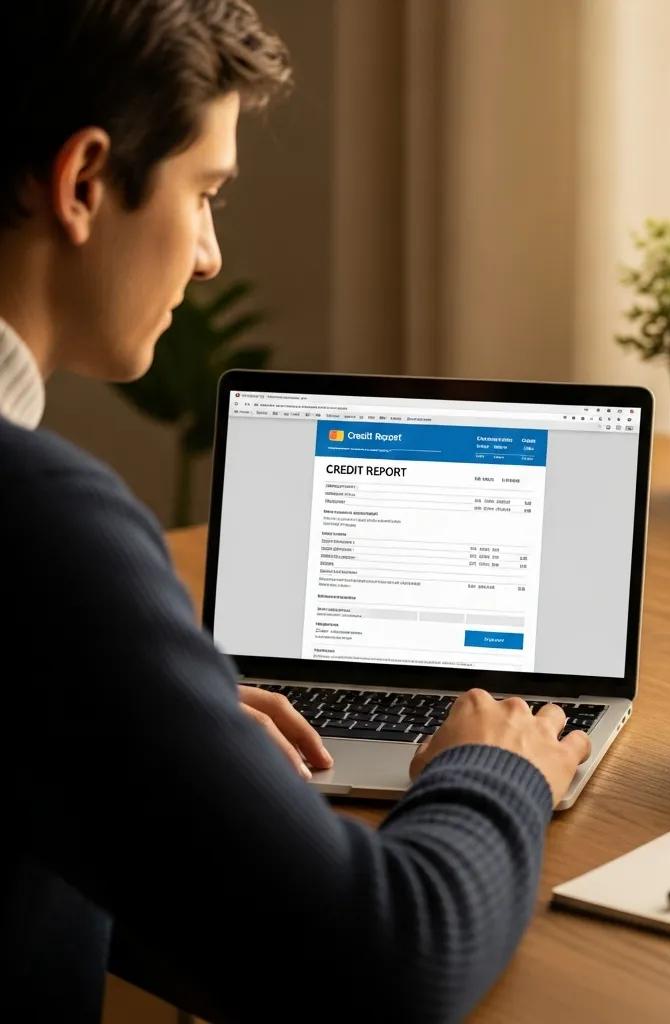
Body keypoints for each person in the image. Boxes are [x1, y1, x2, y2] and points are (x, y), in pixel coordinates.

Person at [0, 3, 590, 1021]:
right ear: (85, 181)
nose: (209, 256)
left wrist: (140, 741)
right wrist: (494, 767)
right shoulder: (37, 526)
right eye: (205, 193)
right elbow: (387, 966)